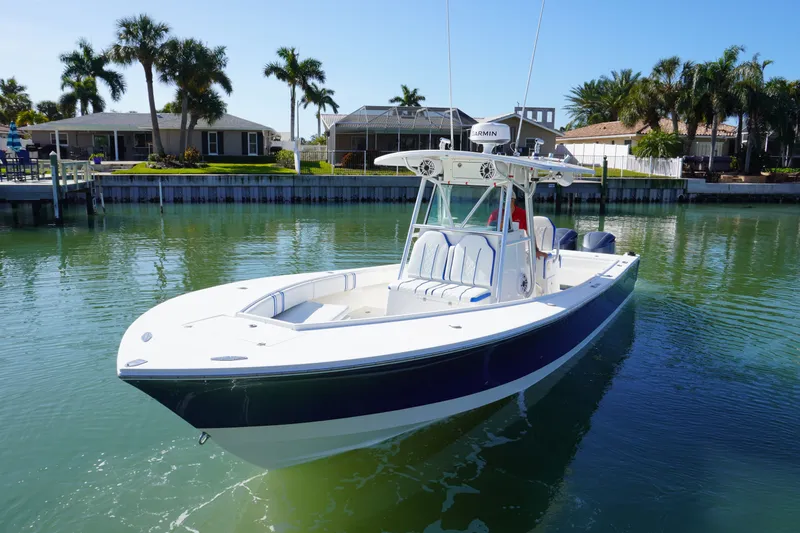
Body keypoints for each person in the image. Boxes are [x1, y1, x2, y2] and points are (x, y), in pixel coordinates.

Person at [488, 192, 547, 259]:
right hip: (498, 248)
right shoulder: (495, 214)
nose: (503, 204)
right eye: (502, 202)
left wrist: (535, 250)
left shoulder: (522, 214)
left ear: (513, 200)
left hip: (516, 249)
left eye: (505, 201)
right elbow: (489, 232)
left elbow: (530, 232)